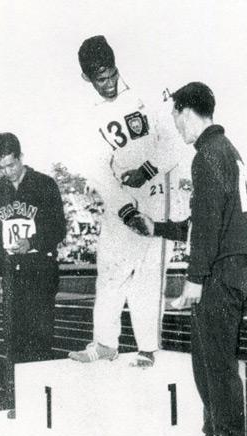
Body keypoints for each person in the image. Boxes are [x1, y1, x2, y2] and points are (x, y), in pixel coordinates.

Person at [128, 82, 247, 436]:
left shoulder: (207, 155)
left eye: (174, 114)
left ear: (186, 110)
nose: (174, 122)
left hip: (220, 271)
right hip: (239, 268)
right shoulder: (228, 151)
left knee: (213, 365)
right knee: (214, 361)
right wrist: (158, 228)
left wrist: (195, 279)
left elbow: (208, 224)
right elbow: (203, 221)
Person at [67, 35, 187, 368]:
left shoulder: (147, 91)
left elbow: (175, 140)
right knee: (109, 270)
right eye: (98, 80)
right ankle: (105, 343)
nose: (106, 85)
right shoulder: (86, 113)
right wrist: (123, 208)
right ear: (86, 78)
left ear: (117, 65)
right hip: (122, 194)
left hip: (157, 188)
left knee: (147, 274)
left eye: (109, 75)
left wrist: (148, 170)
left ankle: (148, 348)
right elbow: (96, 169)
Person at [0, 132, 66, 417]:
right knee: (14, 341)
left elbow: (59, 229)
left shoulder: (44, 184)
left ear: (20, 157)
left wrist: (32, 242)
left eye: (10, 164)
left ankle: (43, 404)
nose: (7, 171)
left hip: (40, 272)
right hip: (11, 275)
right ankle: (18, 402)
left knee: (40, 339)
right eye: (1, 167)